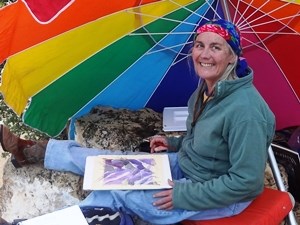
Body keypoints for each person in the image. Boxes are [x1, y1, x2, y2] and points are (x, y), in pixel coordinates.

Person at [0, 19, 275, 225]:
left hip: (210, 193)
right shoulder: (207, 89)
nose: (204, 54)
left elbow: (247, 182)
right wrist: (175, 142)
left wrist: (184, 197)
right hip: (186, 166)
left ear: (233, 56)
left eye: (216, 47)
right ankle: (34, 150)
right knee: (110, 165)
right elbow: (209, 140)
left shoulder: (246, 111)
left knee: (118, 195)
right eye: (199, 45)